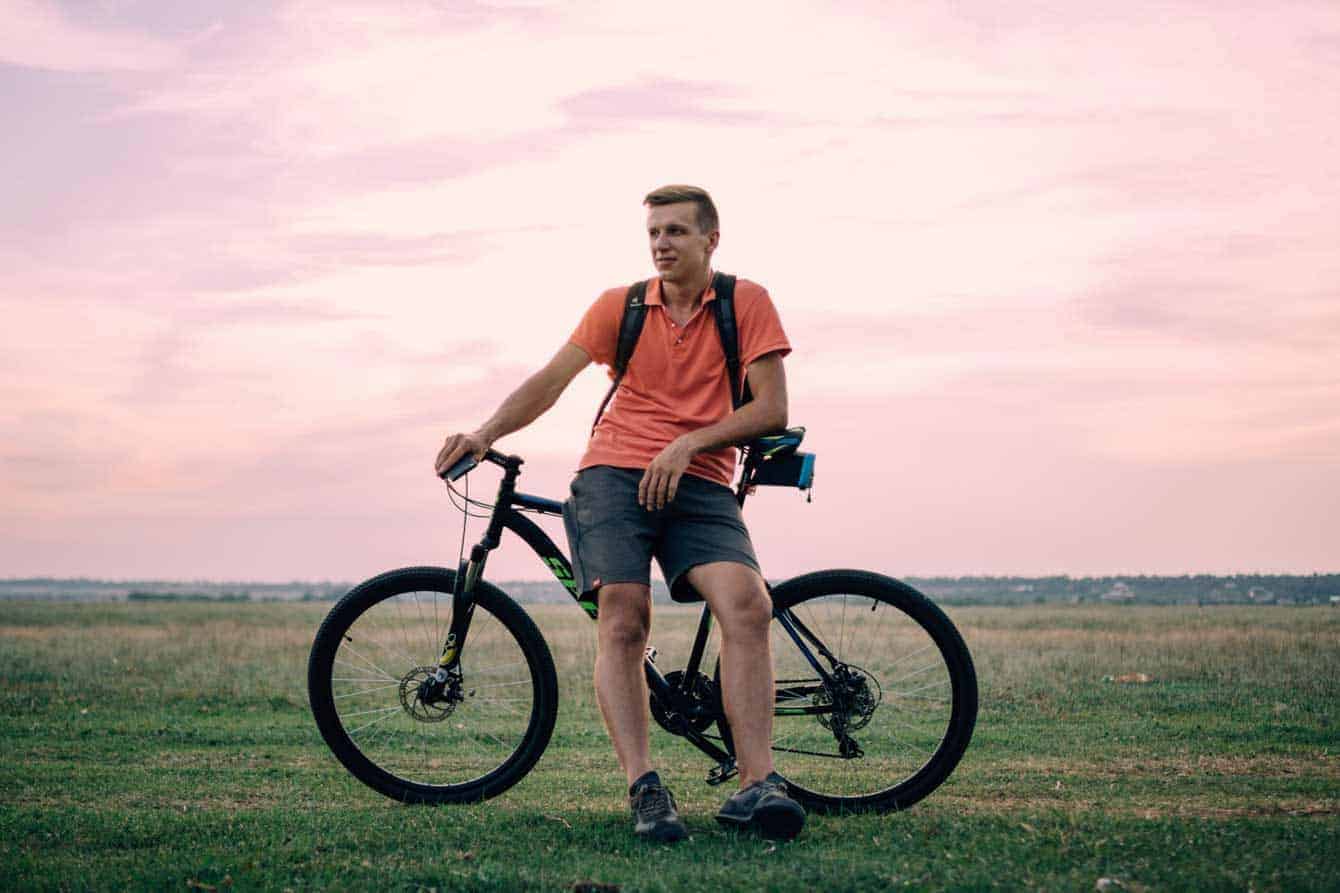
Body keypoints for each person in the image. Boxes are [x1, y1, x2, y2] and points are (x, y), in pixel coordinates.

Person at [433, 185, 805, 843]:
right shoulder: (621, 307)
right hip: (613, 474)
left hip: (701, 479)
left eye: (677, 232)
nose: (662, 244)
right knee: (624, 615)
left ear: (710, 240)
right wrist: (485, 433)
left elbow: (771, 409)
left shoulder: (746, 303)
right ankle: (645, 786)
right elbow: (549, 382)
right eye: (655, 233)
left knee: (748, 604)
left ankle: (758, 784)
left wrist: (690, 442)